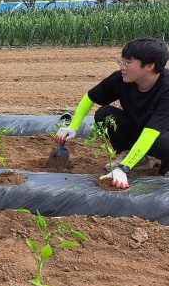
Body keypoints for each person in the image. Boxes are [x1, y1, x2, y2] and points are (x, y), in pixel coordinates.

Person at [55, 36, 169, 189]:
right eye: (121, 61)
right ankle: (138, 159)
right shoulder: (120, 79)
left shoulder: (166, 88)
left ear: (149, 66)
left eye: (128, 63)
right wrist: (73, 126)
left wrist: (123, 168)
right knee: (105, 114)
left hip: (161, 135)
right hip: (145, 130)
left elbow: (152, 132)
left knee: (163, 143)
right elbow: (90, 97)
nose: (122, 66)